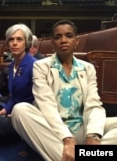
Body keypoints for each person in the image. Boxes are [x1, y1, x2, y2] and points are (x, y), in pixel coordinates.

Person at [11, 20, 117, 161]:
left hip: (81, 126)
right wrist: (67, 138)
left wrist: (93, 135)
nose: (63, 40)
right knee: (20, 110)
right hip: (53, 130)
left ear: (76, 41)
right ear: (53, 43)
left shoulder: (88, 68)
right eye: (58, 37)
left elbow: (94, 105)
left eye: (69, 36)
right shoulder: (41, 66)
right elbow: (46, 106)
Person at [0, 35, 44, 100]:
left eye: (27, 47)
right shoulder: (22, 56)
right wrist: (11, 75)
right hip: (8, 84)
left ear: (35, 47)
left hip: (22, 94)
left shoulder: (40, 61)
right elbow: (6, 68)